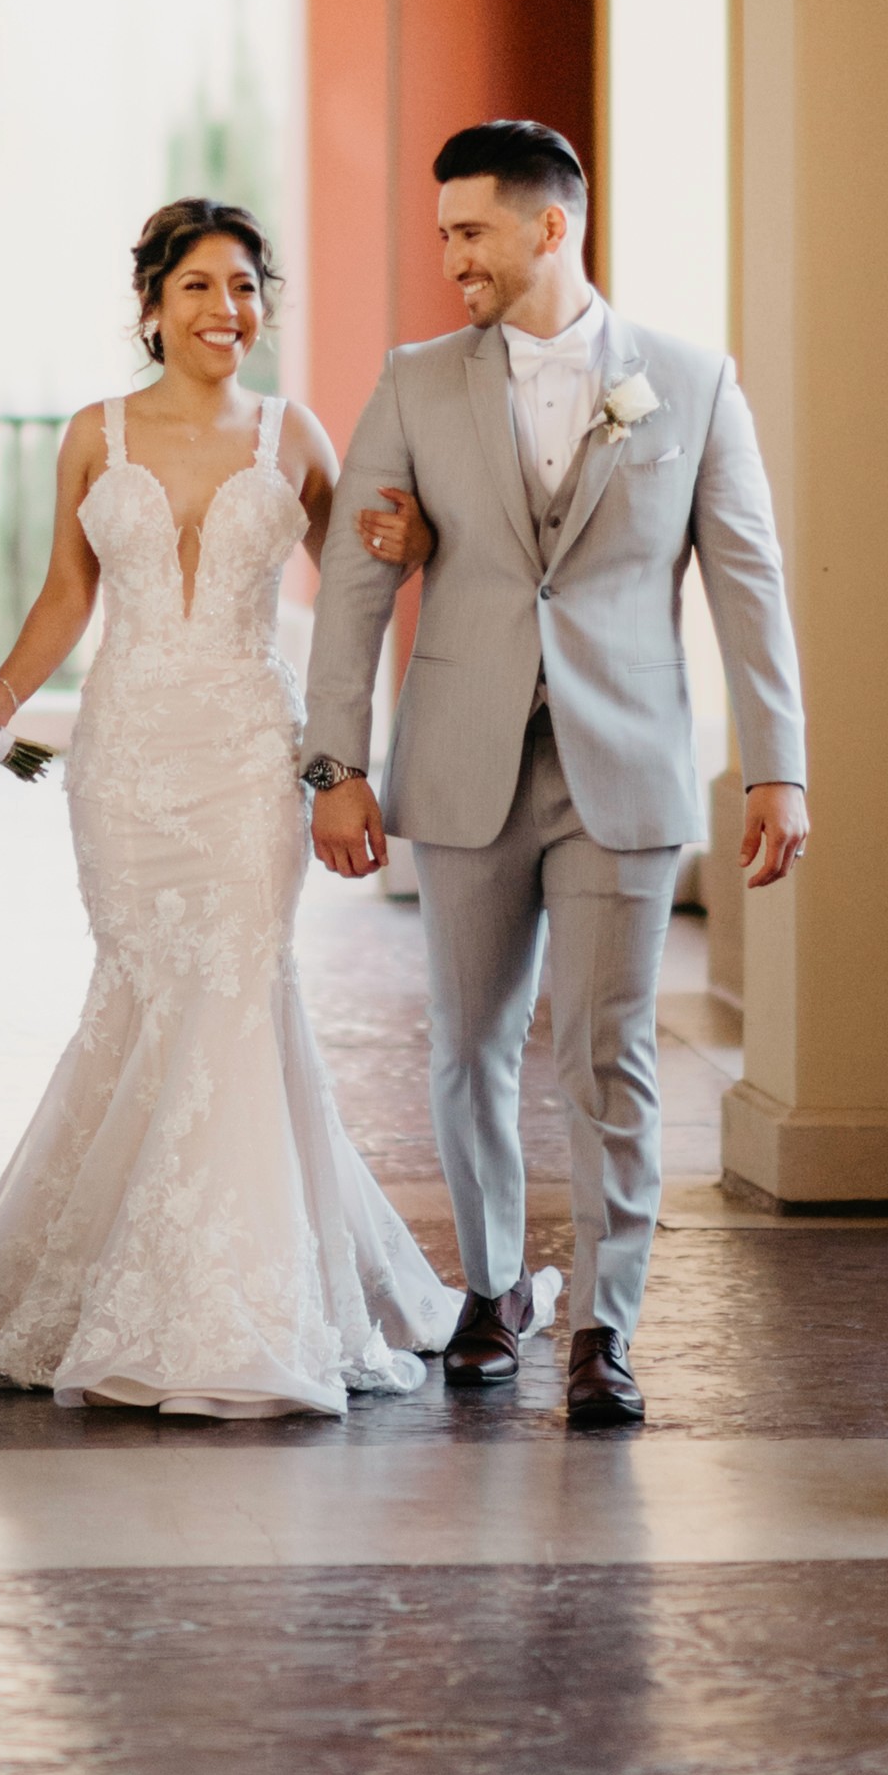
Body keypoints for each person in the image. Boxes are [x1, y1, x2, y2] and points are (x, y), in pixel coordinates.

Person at [0, 200, 452, 1422]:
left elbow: (363, 577)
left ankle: (234, 1307)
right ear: (151, 305)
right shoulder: (93, 434)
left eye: (244, 287)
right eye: (197, 286)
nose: (225, 309)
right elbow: (66, 593)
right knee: (143, 995)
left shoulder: (294, 434)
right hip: (129, 762)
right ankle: (120, 1274)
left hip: (249, 756)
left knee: (238, 985)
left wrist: (406, 542)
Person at [301, 120, 808, 1433]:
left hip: (620, 767)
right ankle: (491, 1290)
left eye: (470, 231)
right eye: (443, 234)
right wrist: (332, 763)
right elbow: (354, 581)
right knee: (467, 1045)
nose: (451, 258)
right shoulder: (414, 381)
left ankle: (603, 1327)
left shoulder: (690, 382)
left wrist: (777, 766)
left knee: (607, 1053)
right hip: (462, 761)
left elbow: (748, 580)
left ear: (550, 225)